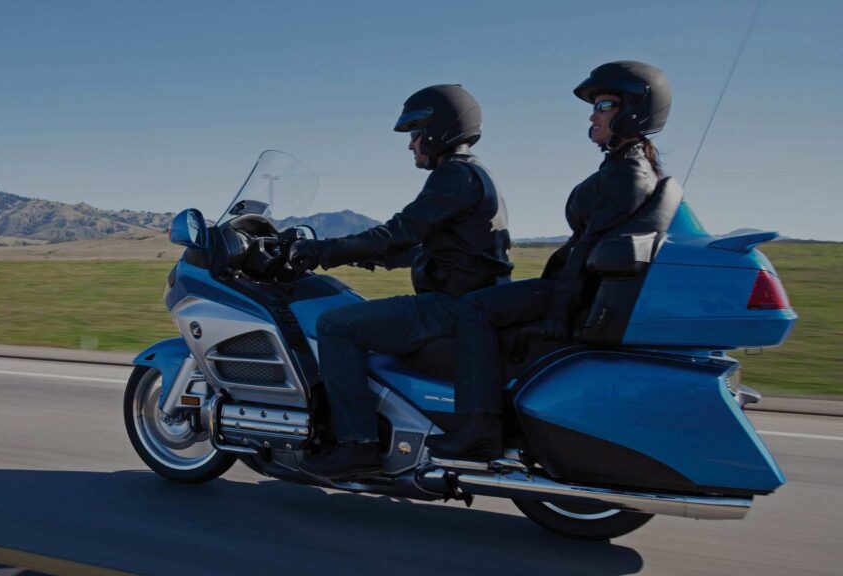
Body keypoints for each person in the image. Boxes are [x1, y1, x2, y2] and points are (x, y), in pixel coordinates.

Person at [425, 60, 672, 459]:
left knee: (475, 307)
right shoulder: (623, 166)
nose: (593, 115)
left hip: (579, 290)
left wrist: (558, 309)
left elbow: (589, 248)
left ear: (634, 110)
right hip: (579, 285)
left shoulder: (628, 173)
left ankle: (479, 427)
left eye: (603, 105)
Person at [288, 84, 512, 477]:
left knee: (336, 324)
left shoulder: (453, 175)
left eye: (415, 133)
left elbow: (399, 231)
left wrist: (321, 251)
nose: (411, 144)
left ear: (439, 130)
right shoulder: (473, 174)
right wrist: (361, 256)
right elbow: (428, 248)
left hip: (452, 305)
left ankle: (357, 444)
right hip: (471, 300)